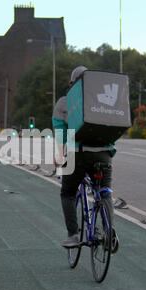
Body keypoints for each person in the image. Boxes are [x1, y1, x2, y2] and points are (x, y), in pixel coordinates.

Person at [52, 66, 119, 252]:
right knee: (105, 192)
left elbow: (61, 136)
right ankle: (108, 230)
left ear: (71, 84)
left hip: (78, 155)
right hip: (104, 154)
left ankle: (73, 234)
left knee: (67, 193)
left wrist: (58, 157)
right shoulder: (103, 99)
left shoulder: (64, 103)